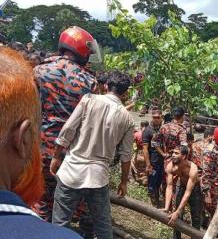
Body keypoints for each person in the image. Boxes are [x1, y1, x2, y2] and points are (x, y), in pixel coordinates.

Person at [0, 47, 81, 238]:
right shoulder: (88, 79)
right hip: (65, 152)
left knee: (43, 201)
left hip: (44, 147)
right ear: (24, 139)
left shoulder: (41, 70)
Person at [50, 71, 135, 238]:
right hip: (98, 177)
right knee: (103, 226)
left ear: (105, 86)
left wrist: (56, 156)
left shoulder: (89, 100)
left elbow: (68, 130)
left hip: (71, 171)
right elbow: (126, 156)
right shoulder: (127, 118)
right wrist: (124, 182)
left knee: (60, 224)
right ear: (125, 93)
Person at [33, 26, 99, 229]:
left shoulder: (39, 71)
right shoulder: (90, 81)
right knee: (64, 203)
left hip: (39, 149)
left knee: (40, 198)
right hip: (70, 153)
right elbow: (89, 124)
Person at [162, 146, 200, 239]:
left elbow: (188, 193)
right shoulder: (171, 166)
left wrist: (178, 211)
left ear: (183, 156)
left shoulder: (192, 169)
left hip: (195, 189)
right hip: (182, 186)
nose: (173, 155)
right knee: (176, 216)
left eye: (176, 153)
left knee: (196, 217)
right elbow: (169, 186)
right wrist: (167, 207)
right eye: (173, 153)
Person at [143, 110, 164, 207]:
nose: (156, 119)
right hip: (153, 161)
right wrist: (148, 164)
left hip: (163, 160)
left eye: (158, 117)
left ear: (161, 117)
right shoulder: (148, 130)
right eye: (154, 117)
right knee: (152, 180)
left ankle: (157, 198)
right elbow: (145, 149)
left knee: (159, 180)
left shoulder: (164, 128)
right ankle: (154, 204)